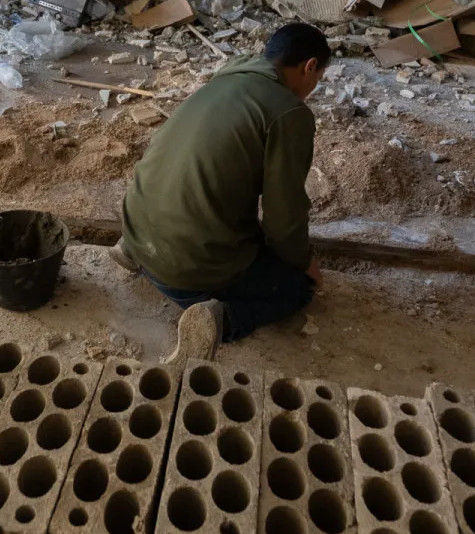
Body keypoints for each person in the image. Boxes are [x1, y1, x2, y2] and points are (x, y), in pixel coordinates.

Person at [111, 22, 328, 363]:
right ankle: (221, 320)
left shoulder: (225, 79)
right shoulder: (288, 111)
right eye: (318, 79)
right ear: (310, 66)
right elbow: (282, 217)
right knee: (297, 288)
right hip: (183, 269)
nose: (314, 87)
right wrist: (303, 264)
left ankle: (137, 253)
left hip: (137, 227)